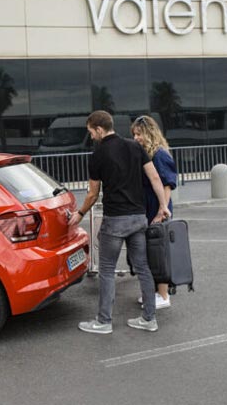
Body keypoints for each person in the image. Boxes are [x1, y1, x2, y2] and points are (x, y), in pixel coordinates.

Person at [68, 110, 171, 334]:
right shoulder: (135, 147)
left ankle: (103, 322)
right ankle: (149, 319)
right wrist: (163, 206)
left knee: (106, 270)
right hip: (138, 217)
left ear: (99, 129)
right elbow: (155, 177)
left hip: (115, 220)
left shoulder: (98, 155)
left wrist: (80, 213)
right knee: (143, 267)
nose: (91, 136)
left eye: (91, 132)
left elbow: (92, 194)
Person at [131, 115, 178, 309]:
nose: (135, 138)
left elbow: (168, 184)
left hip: (158, 208)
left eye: (139, 134)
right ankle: (155, 292)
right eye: (134, 134)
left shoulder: (159, 154)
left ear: (149, 133)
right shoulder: (149, 153)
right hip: (150, 207)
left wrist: (162, 209)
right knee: (152, 252)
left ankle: (163, 295)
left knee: (160, 253)